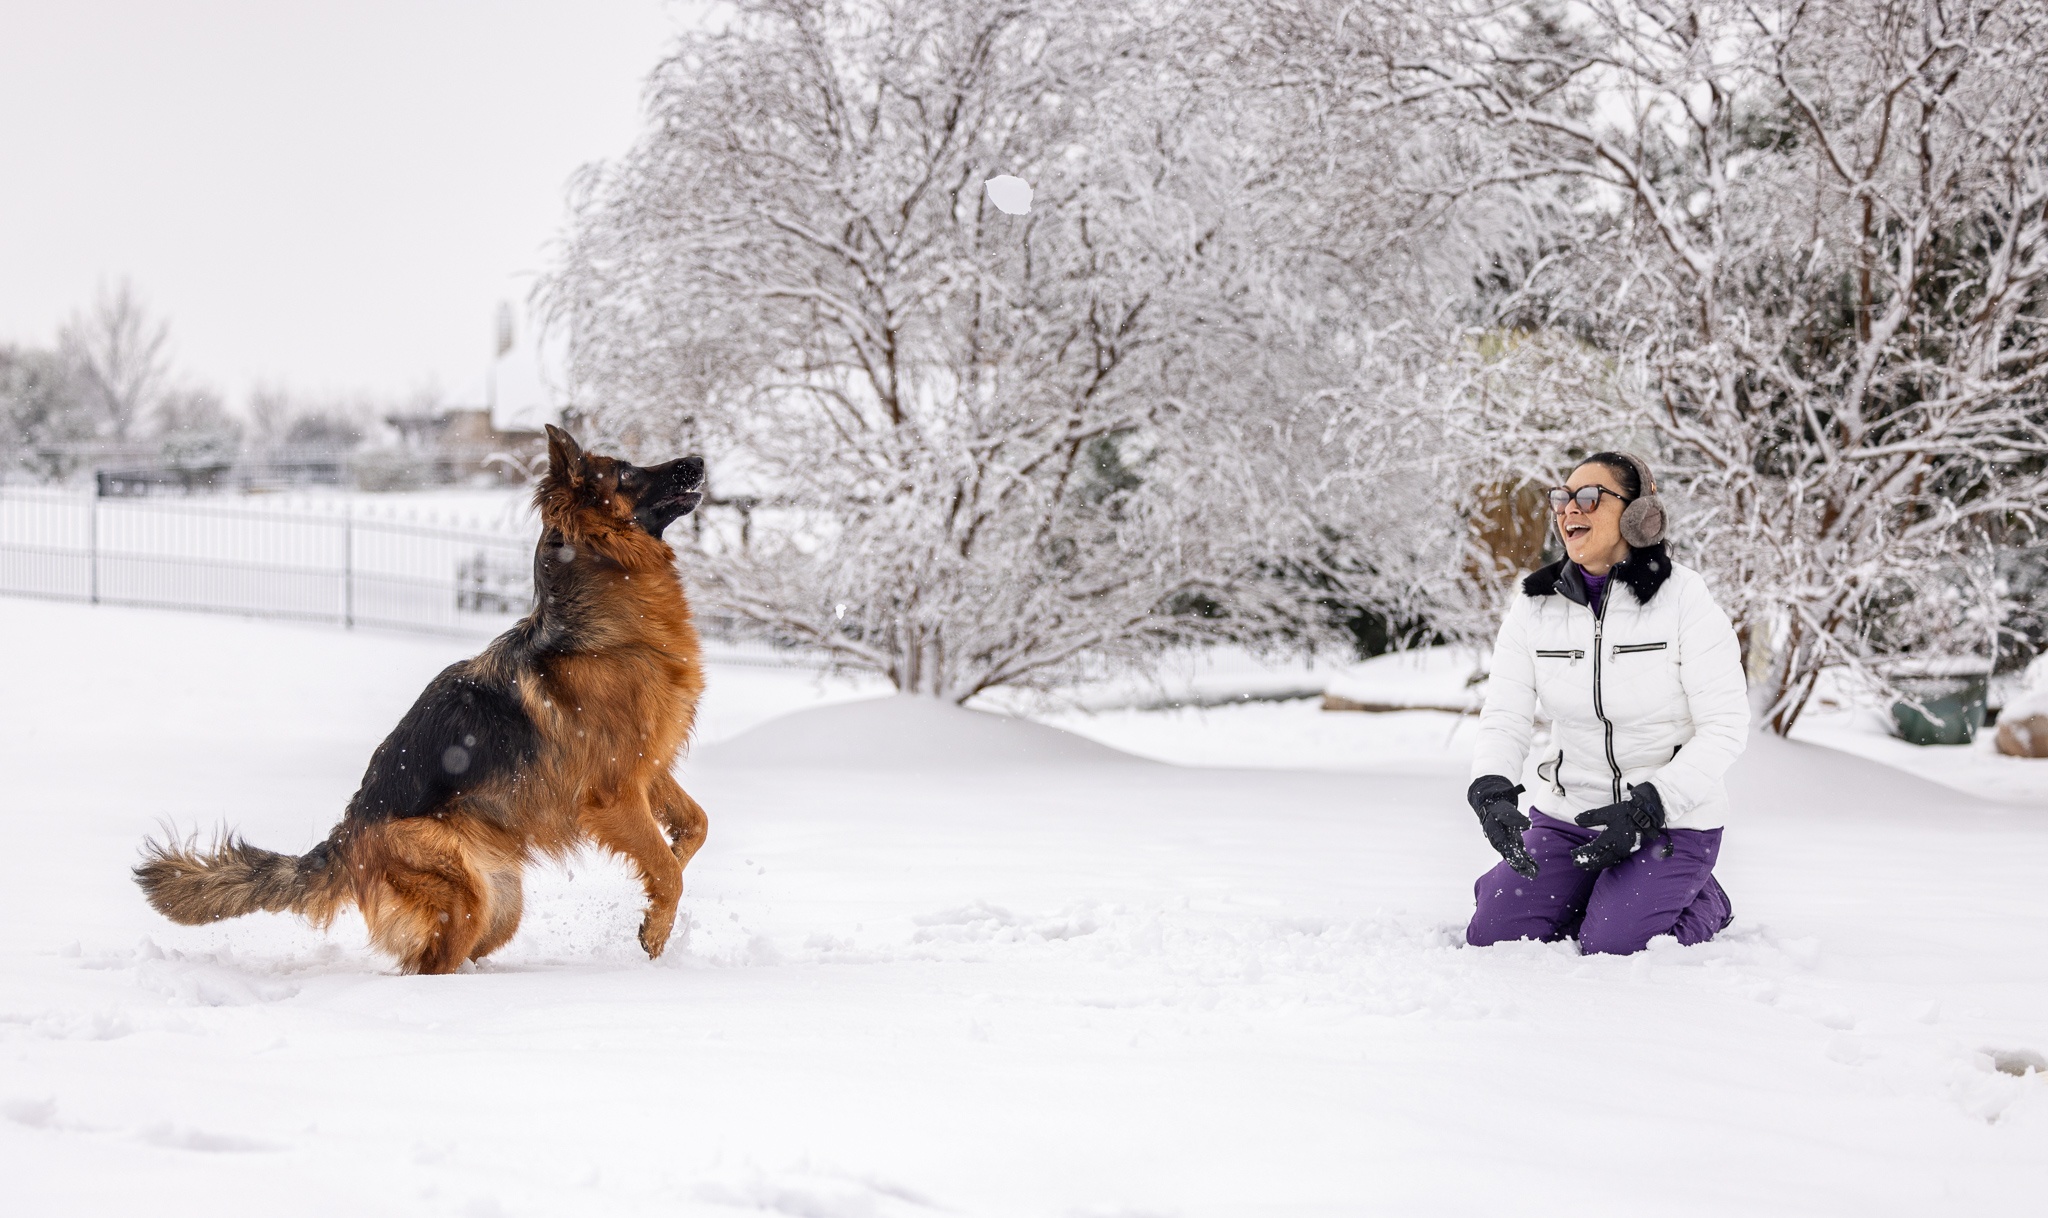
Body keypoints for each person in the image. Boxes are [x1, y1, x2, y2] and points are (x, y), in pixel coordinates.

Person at [1463, 452, 1749, 955]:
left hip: (1668, 818)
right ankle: (1602, 894)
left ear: (1640, 516)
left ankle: (1705, 898)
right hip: (1571, 815)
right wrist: (1492, 790)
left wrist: (1648, 807)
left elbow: (1726, 726)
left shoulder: (1683, 598)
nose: (1571, 508)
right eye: (1563, 497)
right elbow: (1506, 713)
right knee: (1492, 935)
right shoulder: (1535, 605)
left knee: (1612, 946)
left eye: (1591, 497)